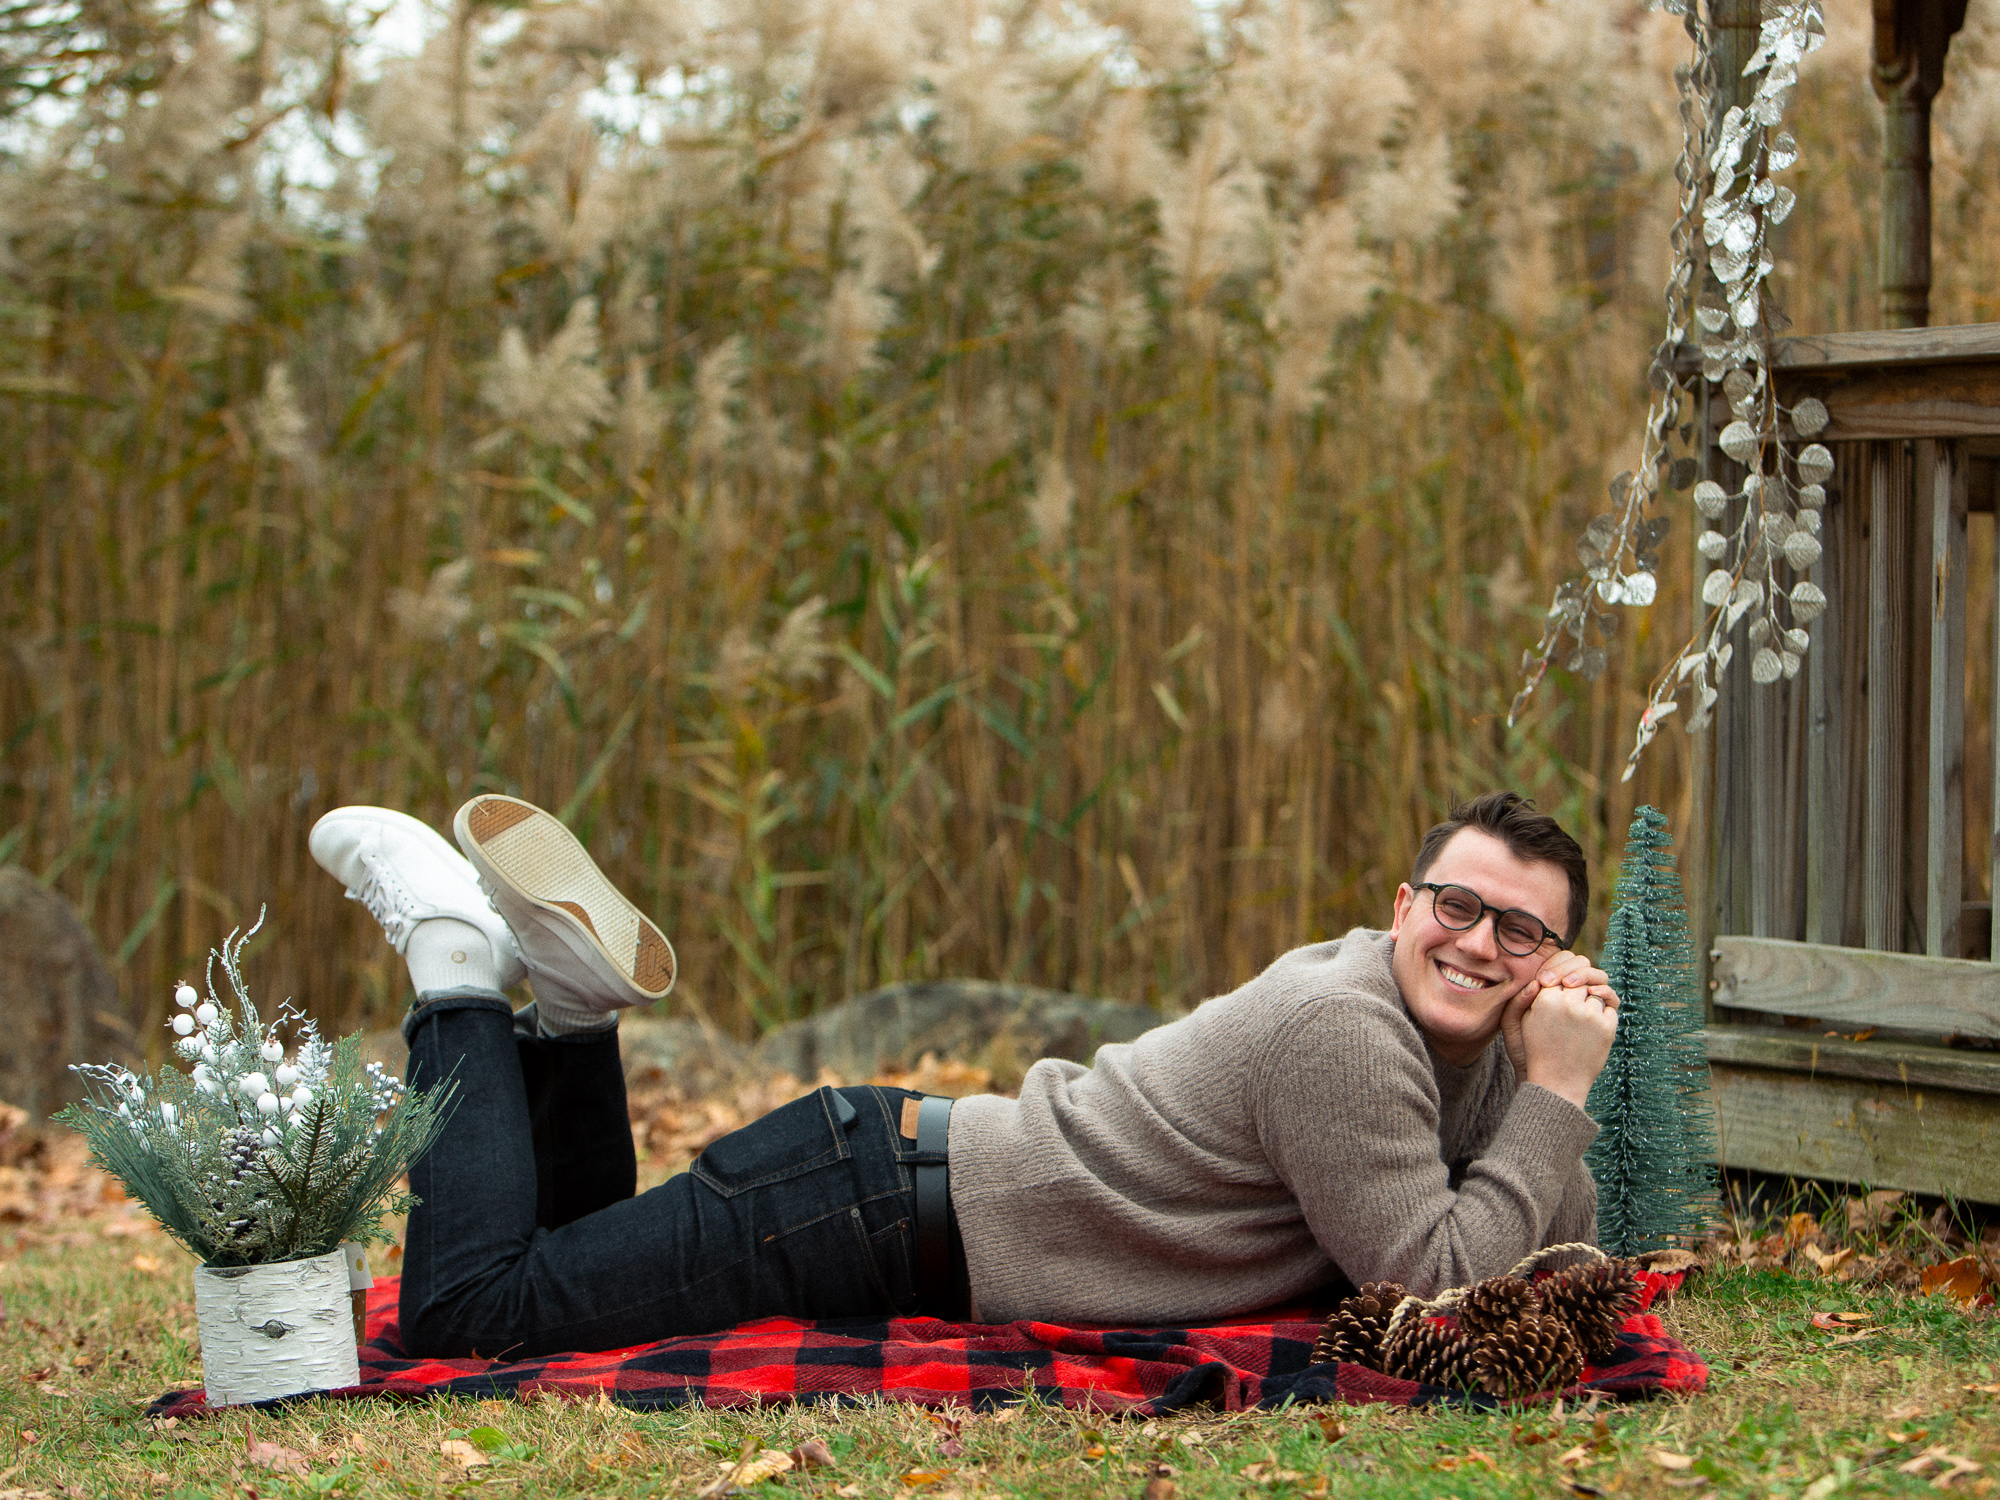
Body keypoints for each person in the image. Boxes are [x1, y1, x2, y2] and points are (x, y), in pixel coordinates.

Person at [308, 788, 1619, 1360]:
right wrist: (1556, 1092)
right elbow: (1441, 1287)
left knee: (571, 1253)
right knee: (473, 1313)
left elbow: (1556, 1249)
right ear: (1404, 902)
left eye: (1524, 933)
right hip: (863, 1203)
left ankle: (578, 1010)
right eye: (1458, 906)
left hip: (894, 1193)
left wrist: (1529, 1066)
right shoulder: (1346, 1029)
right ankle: (454, 957)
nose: (1479, 944)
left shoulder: (1465, 1033)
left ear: (1548, 958)